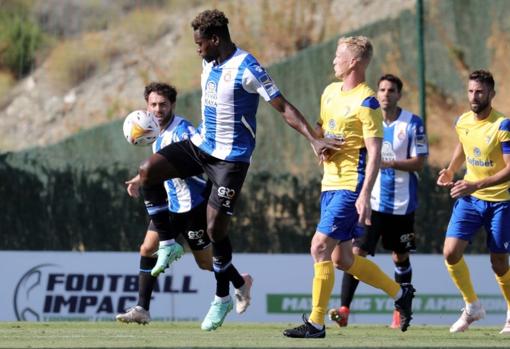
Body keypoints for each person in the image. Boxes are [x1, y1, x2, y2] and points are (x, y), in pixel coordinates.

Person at [136, 9, 342, 332]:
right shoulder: (208, 62)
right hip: (201, 145)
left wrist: (313, 139)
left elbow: (283, 106)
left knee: (215, 229)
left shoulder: (248, 67)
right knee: (148, 171)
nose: (198, 50)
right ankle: (168, 243)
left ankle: (222, 298)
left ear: (215, 40)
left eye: (200, 44)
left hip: (231, 161)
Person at [283, 36, 415, 339]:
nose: (333, 60)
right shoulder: (330, 92)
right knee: (342, 259)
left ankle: (316, 323)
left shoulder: (367, 101)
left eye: (338, 55)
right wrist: (320, 144)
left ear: (353, 62)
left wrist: (365, 194)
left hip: (350, 186)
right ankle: (400, 294)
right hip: (329, 184)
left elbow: (375, 152)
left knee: (319, 246)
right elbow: (322, 130)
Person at [329, 74, 428, 329]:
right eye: (381, 89)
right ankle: (344, 309)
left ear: (399, 94)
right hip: (370, 201)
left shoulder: (413, 123)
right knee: (356, 252)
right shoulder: (367, 120)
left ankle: (400, 310)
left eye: (391, 90)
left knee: (400, 256)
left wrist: (390, 163)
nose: (385, 94)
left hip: (402, 204)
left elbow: (420, 162)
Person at [116, 82, 213, 324]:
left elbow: (199, 161)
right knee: (147, 248)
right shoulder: (152, 130)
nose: (158, 109)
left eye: (163, 104)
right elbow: (160, 167)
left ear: (172, 105)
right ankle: (142, 308)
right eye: (153, 104)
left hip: (192, 203)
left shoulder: (183, 131)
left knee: (205, 263)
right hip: (170, 203)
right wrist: (140, 179)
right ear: (147, 106)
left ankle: (240, 280)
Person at [437, 70, 510, 334]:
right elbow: (463, 144)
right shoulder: (463, 121)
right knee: (450, 252)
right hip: (470, 200)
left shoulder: (503, 125)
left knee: (499, 262)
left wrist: (476, 184)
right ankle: (472, 307)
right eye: (470, 91)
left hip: (500, 202)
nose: (474, 96)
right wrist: (451, 170)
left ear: (491, 93)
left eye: (479, 92)